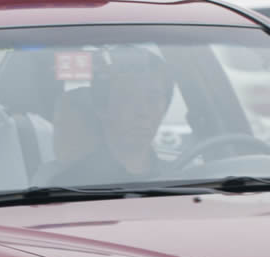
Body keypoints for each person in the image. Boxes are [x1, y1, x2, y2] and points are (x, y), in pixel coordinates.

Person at [42, 46, 177, 186]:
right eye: (128, 97)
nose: (143, 112)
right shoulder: (68, 186)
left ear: (165, 108)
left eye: (153, 98)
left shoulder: (182, 178)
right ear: (102, 108)